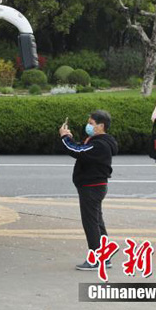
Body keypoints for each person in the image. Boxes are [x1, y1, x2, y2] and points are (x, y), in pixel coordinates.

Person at [59, 110, 119, 271]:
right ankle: (104, 257)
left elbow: (77, 151)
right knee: (97, 221)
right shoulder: (98, 141)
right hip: (95, 186)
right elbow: (80, 148)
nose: (88, 126)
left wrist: (65, 137)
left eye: (91, 123)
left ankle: (96, 258)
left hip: (91, 187)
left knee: (91, 223)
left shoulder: (100, 144)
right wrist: (70, 138)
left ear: (101, 126)